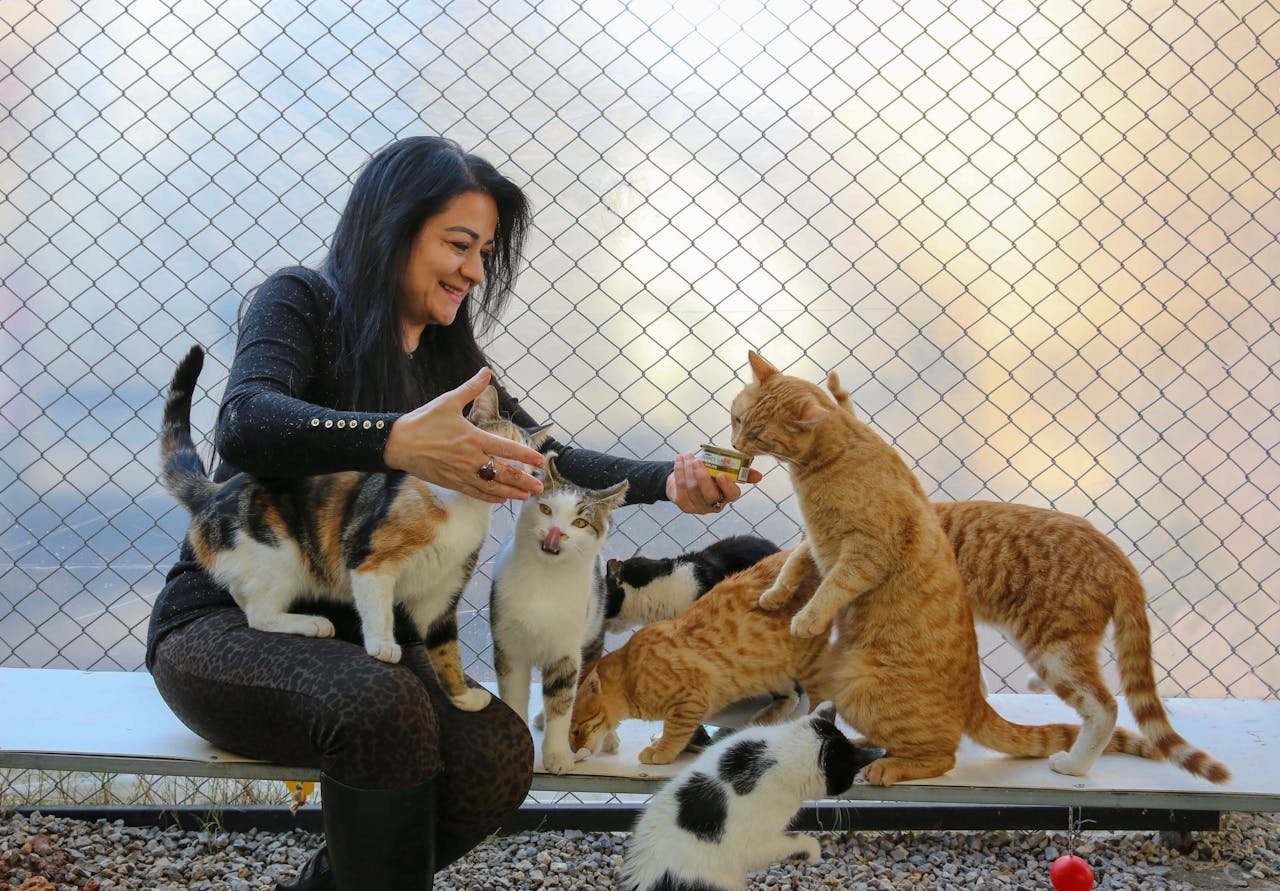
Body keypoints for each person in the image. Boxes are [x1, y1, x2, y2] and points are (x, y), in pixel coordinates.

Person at [146, 135, 760, 891]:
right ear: (393, 229)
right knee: (381, 705)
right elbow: (246, 420)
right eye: (459, 244)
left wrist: (672, 480)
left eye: (485, 250)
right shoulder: (300, 300)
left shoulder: (446, 351)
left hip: (370, 644)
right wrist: (396, 440)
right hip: (225, 627)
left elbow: (546, 457)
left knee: (498, 752)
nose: (475, 270)